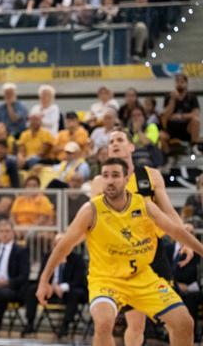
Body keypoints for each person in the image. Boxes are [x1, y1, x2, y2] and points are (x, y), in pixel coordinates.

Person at [37, 158, 203, 346]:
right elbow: (63, 246)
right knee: (104, 323)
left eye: (115, 175)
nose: (109, 180)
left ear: (127, 179)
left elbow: (176, 231)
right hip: (106, 280)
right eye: (105, 175)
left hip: (142, 278)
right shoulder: (91, 210)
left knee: (184, 323)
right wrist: (44, 280)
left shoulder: (144, 205)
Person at [89, 132, 194, 346]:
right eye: (110, 141)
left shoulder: (151, 175)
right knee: (136, 324)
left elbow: (168, 211)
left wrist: (185, 239)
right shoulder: (101, 181)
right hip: (122, 257)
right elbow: (93, 218)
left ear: (131, 147)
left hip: (153, 251)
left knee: (176, 320)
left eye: (119, 140)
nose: (114, 144)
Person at [22, 232, 87, 338]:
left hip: (68, 291)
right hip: (50, 290)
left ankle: (65, 325)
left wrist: (61, 287)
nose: (59, 247)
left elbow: (79, 280)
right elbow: (41, 276)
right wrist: (51, 286)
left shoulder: (77, 259)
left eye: (62, 244)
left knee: (75, 293)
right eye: (56, 244)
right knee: (32, 290)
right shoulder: (48, 257)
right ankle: (30, 323)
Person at [166, 224, 202, 343]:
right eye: (185, 231)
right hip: (169, 285)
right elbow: (163, 269)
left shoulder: (195, 252)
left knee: (191, 297)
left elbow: (190, 273)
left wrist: (178, 282)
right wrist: (175, 283)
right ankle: (162, 335)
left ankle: (191, 336)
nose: (187, 235)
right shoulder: (168, 248)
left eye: (190, 233)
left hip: (188, 287)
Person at [161, 73, 200, 154]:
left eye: (182, 82)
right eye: (177, 82)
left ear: (186, 83)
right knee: (161, 136)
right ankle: (167, 156)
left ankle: (194, 147)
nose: (179, 84)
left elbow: (195, 114)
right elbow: (165, 116)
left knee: (196, 121)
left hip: (186, 129)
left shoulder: (192, 97)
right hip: (171, 129)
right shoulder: (169, 97)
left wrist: (180, 116)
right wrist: (173, 100)